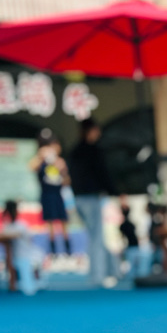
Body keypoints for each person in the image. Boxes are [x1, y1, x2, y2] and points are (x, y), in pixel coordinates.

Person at [67, 118, 118, 287]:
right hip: (91, 197)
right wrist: (114, 191)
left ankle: (113, 270)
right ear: (91, 131)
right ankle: (98, 276)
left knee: (94, 236)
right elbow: (103, 173)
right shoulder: (93, 151)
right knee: (96, 237)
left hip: (78, 198)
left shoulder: (74, 151)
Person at [30, 132, 69, 259]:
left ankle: (68, 251)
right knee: (50, 222)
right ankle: (53, 252)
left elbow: (66, 181)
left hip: (58, 194)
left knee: (63, 221)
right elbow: (31, 167)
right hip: (47, 194)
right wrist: (41, 157)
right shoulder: (40, 160)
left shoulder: (59, 161)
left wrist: (60, 167)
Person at [1, 200, 44, 296]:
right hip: (17, 255)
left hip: (23, 255)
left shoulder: (18, 226)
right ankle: (18, 284)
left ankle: (30, 283)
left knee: (27, 277)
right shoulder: (12, 226)